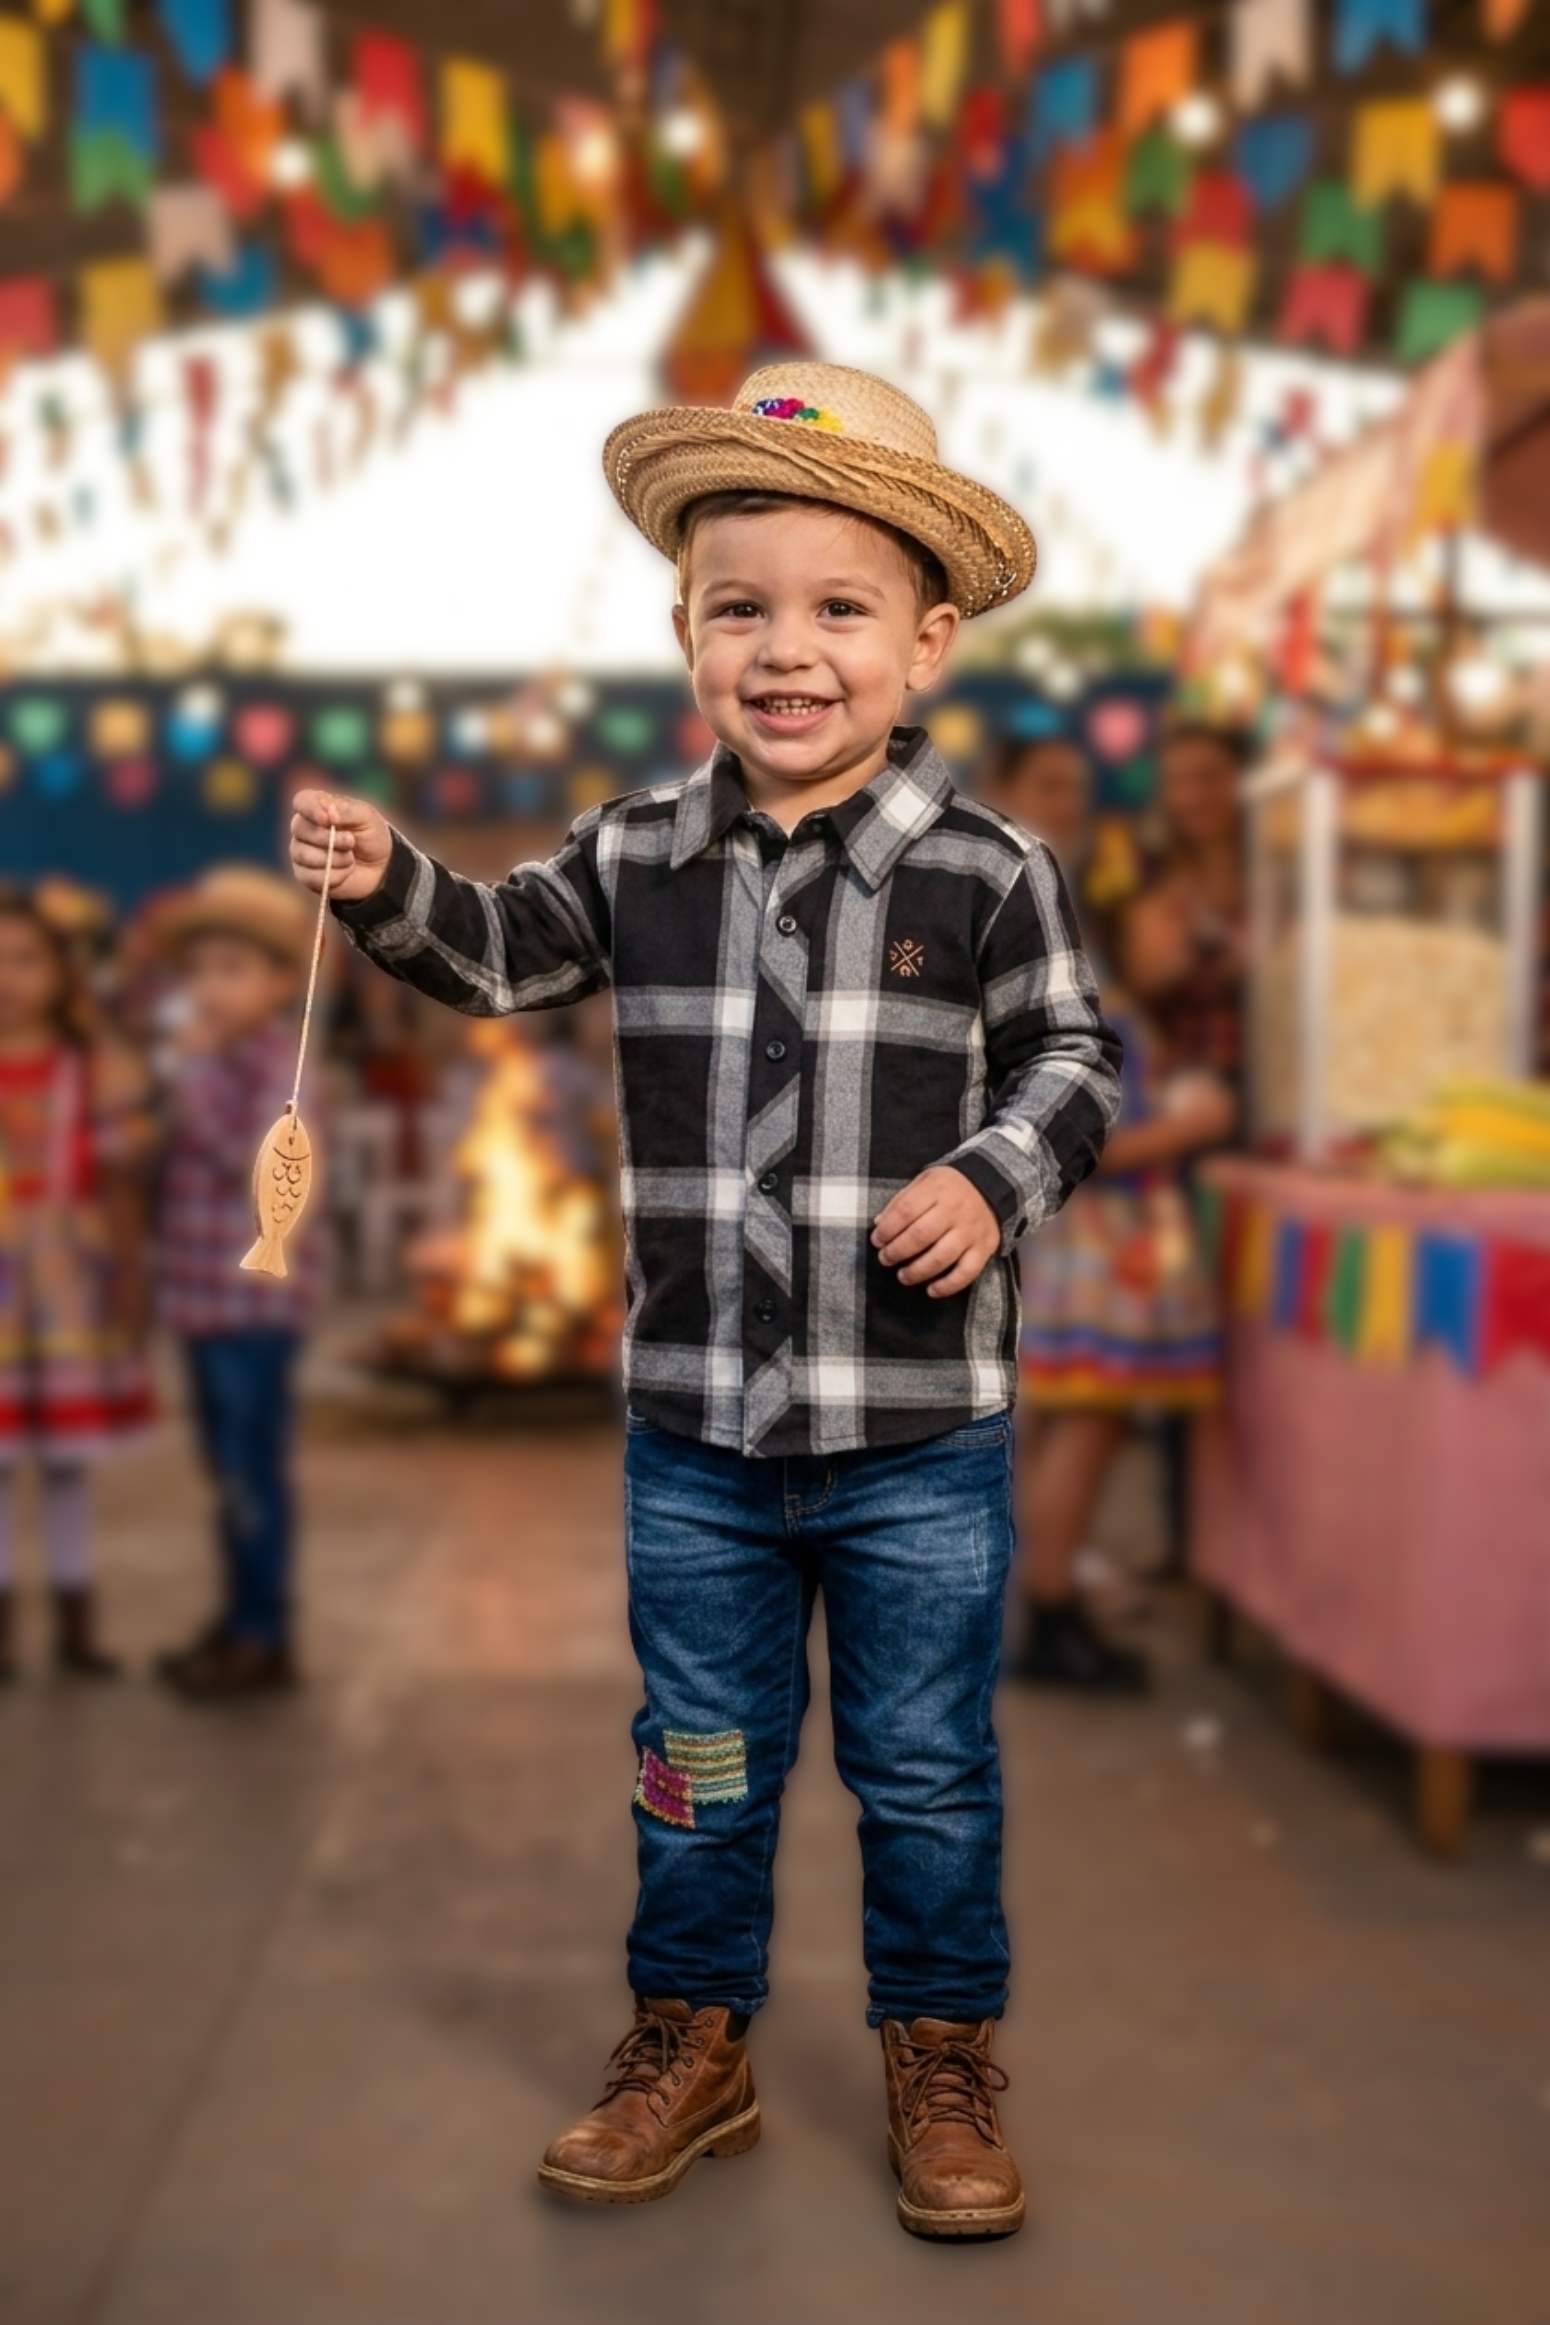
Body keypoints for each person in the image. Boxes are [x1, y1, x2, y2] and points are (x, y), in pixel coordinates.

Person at [290, 361, 1121, 2242]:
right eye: (739, 608)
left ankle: (942, 2049)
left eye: (840, 610)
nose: (786, 649)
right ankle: (693, 2034)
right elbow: (494, 957)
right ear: (684, 633)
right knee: (699, 1759)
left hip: (919, 1436)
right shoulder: (633, 855)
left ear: (926, 643)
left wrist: (992, 1177)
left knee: (925, 1773)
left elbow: (1075, 1059)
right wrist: (387, 880)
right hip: (699, 1432)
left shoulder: (992, 871)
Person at [1006, 877, 1233, 1692]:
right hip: (1100, 1256)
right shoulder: (1106, 1013)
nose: (1185, 931)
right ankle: (1051, 1611)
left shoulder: (1113, 1009)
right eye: (1167, 915)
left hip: (1093, 1252)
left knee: (1076, 1429)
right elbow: (1089, 1149)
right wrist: (1189, 1127)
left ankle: (1049, 1600)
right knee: (1089, 1425)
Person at [151, 867, 324, 1704]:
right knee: (227, 1467)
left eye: (234, 969)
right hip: (200, 1299)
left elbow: (255, 1167)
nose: (211, 988)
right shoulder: (213, 1059)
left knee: (251, 1468)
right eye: (200, 970)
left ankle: (262, 1633)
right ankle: (240, 1615)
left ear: (282, 982)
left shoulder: (278, 1070)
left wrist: (187, 1078)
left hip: (253, 1307)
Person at [0, 885, 152, 1682]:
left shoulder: (93, 1067)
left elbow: (121, 1182)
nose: (7, 977)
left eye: (26, 959)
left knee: (66, 1461)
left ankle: (76, 1622)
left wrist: (131, 1277)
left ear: (64, 971)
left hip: (68, 1289)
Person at [1152, 718, 1250, 1086]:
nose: (1194, 796)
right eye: (1179, 781)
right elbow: (1150, 975)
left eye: (1210, 778)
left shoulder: (1279, 877)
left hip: (1281, 1085)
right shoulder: (1153, 884)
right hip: (1189, 1093)